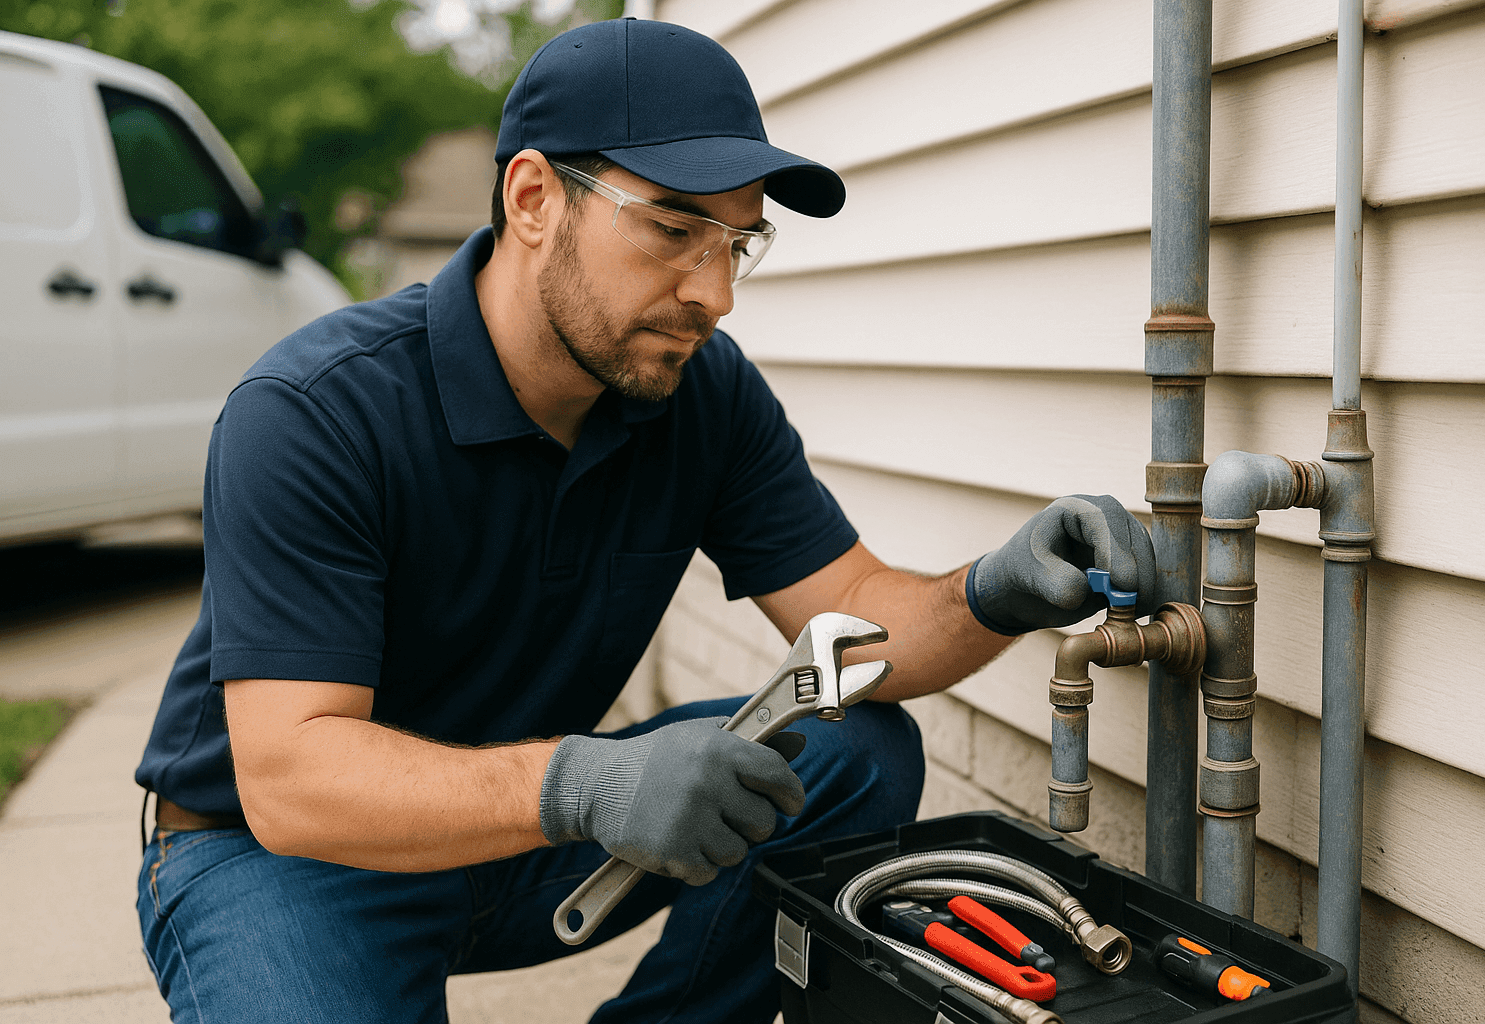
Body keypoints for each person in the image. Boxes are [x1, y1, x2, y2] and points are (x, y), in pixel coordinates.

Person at [133, 17, 1155, 1024]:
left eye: (738, 242)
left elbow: (850, 617)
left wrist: (997, 589)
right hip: (279, 857)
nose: (715, 293)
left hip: (528, 831)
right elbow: (292, 778)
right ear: (533, 198)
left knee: (853, 749)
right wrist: (584, 781)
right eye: (674, 229)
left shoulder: (694, 393)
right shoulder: (318, 411)